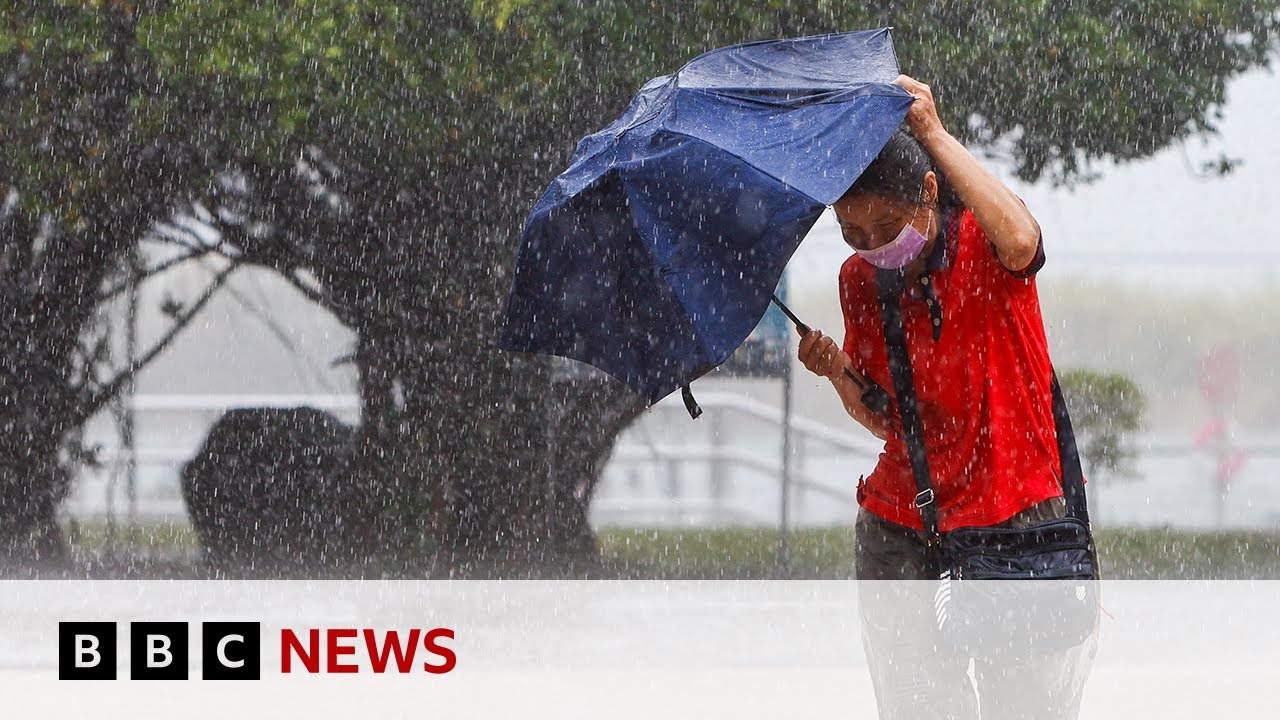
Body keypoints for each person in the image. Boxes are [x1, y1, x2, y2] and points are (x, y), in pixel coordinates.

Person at [796, 75, 1096, 719]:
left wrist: (930, 132)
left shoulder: (987, 246)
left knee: (1027, 708)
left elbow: (1023, 240)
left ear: (929, 194)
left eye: (887, 224)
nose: (874, 245)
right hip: (904, 524)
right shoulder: (860, 282)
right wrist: (838, 372)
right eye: (854, 231)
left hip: (1015, 520)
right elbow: (884, 419)